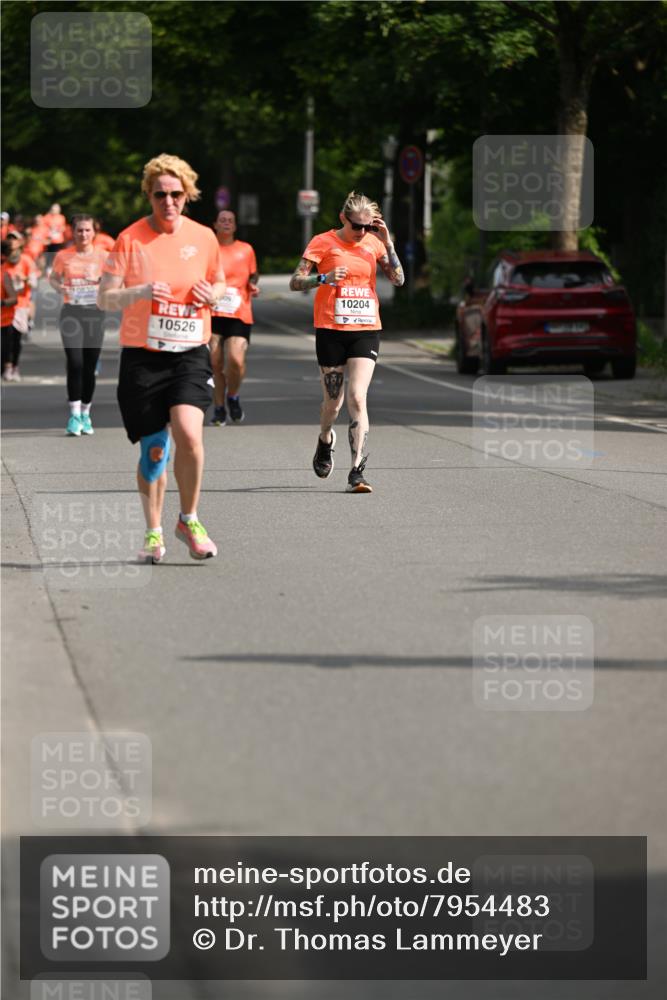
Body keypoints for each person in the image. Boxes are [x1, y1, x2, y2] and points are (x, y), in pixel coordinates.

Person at [97, 153, 226, 563]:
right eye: (159, 195)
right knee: (154, 452)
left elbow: (219, 279)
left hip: (190, 351)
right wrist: (139, 291)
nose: (168, 202)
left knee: (189, 433)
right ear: (149, 196)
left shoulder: (204, 236)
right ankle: (153, 532)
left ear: (187, 195)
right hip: (143, 356)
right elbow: (103, 298)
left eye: (175, 194)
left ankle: (188, 518)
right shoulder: (129, 239)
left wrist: (215, 294)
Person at [289, 191, 404, 493]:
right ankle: (325, 438)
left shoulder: (374, 243)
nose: (362, 232)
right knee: (333, 403)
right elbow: (295, 281)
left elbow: (398, 279)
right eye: (356, 226)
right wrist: (323, 279)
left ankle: (357, 472)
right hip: (331, 329)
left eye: (367, 227)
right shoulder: (322, 242)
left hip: (366, 328)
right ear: (343, 218)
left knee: (357, 397)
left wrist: (388, 243)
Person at [50, 215, 108, 435]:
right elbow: (53, 278)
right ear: (72, 232)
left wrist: (102, 284)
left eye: (87, 230)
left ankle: (86, 413)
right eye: (79, 230)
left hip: (95, 314)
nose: (83, 234)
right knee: (75, 362)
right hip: (71, 314)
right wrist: (61, 288)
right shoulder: (64, 256)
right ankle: (74, 415)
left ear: (94, 232)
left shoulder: (103, 256)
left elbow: (116, 281)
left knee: (89, 366)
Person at [209, 209, 259, 425]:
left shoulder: (245, 249)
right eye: (222, 220)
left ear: (235, 226)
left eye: (230, 220)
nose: (227, 223)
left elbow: (253, 274)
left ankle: (233, 396)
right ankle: (219, 408)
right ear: (216, 225)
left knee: (236, 361)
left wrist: (253, 285)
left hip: (239, 312)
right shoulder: (208, 250)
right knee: (215, 362)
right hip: (212, 311)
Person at [1, 240, 20, 380]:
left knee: (8, 348)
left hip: (3, 321)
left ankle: (10, 367)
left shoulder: (4, 275)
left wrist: (2, 302)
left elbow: (14, 298)